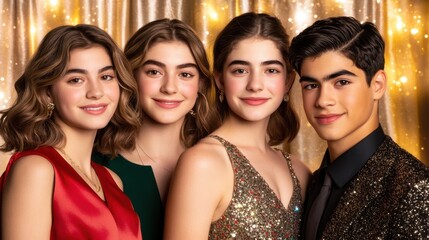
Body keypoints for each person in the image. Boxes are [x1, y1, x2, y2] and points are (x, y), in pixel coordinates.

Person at [164, 12, 311, 239]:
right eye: (240, 70)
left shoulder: (300, 172)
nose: (255, 85)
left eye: (271, 70)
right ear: (220, 80)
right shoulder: (203, 163)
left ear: (288, 82)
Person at [288, 16, 429, 239]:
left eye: (341, 82)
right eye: (311, 85)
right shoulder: (312, 183)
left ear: (378, 85)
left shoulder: (415, 188)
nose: (323, 100)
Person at [0, 24, 142, 239]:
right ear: (47, 93)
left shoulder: (112, 179)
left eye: (106, 77)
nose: (96, 92)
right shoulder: (35, 169)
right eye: (76, 80)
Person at [92, 18, 214, 239]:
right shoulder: (93, 165)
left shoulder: (219, 161)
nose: (169, 87)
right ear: (131, 76)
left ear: (201, 84)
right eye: (154, 72)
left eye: (185, 74)